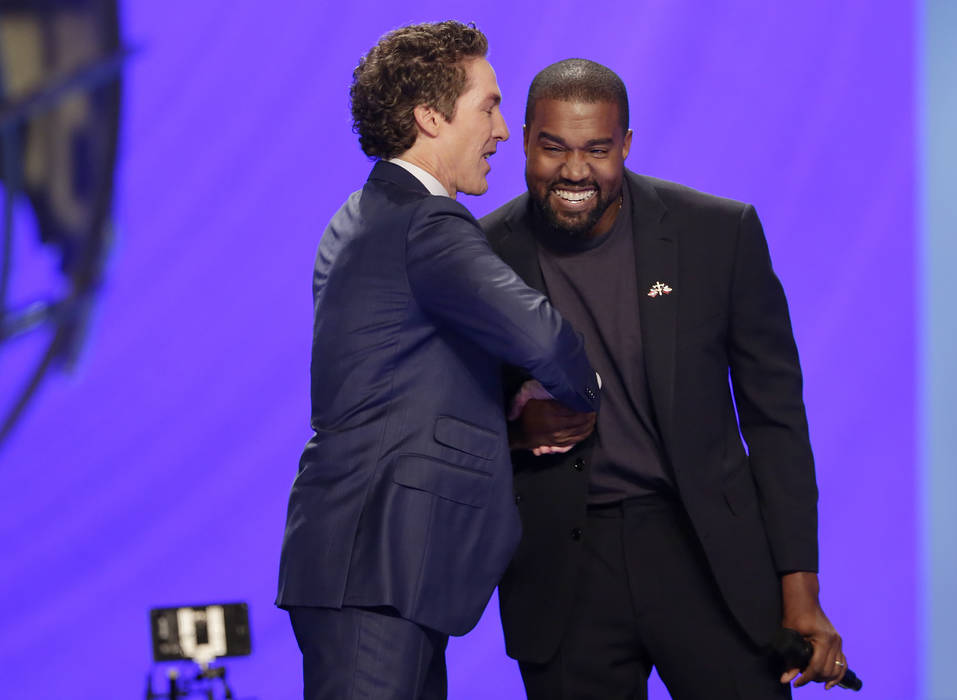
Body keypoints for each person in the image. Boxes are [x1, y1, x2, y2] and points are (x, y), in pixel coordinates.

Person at [480, 59, 846, 699]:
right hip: (564, 566)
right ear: (524, 139)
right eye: (553, 147)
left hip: (706, 555)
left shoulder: (718, 233)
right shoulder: (480, 254)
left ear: (625, 145)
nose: (573, 171)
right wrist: (513, 433)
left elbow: (776, 419)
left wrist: (801, 589)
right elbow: (445, 412)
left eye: (597, 149)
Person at [275, 27, 600, 700]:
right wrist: (581, 392)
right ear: (430, 116)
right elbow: (548, 343)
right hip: (377, 567)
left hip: (368, 567)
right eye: (489, 106)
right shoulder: (426, 223)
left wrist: (503, 419)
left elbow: (397, 387)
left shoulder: (358, 216)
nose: (503, 131)